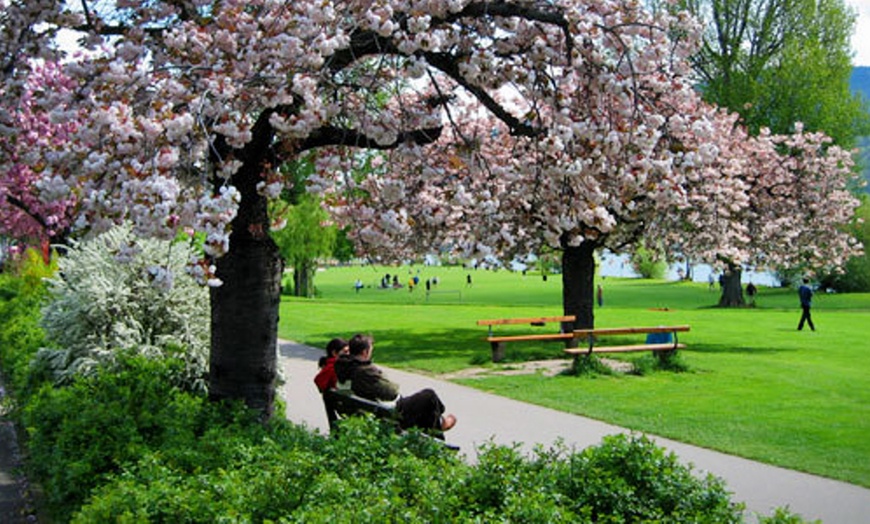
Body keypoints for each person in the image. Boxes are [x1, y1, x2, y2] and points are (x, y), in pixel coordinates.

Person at [334, 334, 457, 432]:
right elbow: (392, 392)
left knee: (424, 408)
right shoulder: (364, 371)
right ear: (365, 352)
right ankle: (440, 424)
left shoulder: (344, 367)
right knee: (428, 396)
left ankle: (437, 424)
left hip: (368, 411)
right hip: (386, 415)